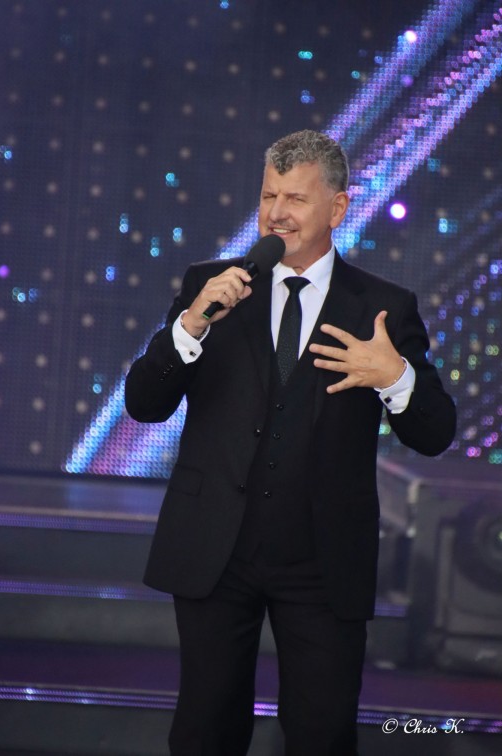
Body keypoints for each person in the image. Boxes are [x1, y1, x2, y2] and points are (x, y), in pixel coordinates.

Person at [125, 129, 456, 756]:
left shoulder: (382, 308)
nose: (277, 213)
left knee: (322, 732)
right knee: (204, 730)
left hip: (322, 559)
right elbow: (144, 404)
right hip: (215, 548)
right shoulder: (211, 286)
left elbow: (436, 432)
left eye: (296, 199)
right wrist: (191, 324)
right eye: (268, 195)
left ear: (337, 207)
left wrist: (395, 377)